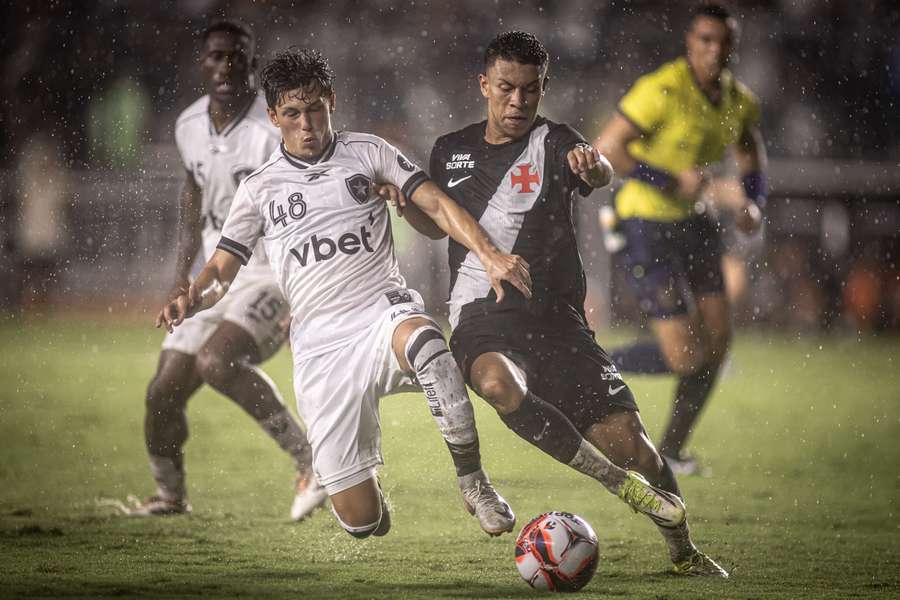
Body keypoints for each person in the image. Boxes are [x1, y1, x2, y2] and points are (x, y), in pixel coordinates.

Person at [157, 47, 532, 539]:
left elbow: (437, 205)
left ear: (331, 100)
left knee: (429, 346)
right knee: (363, 523)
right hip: (320, 349)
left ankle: (474, 482)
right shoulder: (260, 189)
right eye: (292, 113)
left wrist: (487, 253)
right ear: (274, 117)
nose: (306, 123)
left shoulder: (369, 152)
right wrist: (195, 297)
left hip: (381, 313)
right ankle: (364, 489)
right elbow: (222, 270)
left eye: (315, 108)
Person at [426, 30, 727, 576]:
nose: (517, 101)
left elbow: (599, 167)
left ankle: (685, 552)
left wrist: (596, 171)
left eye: (530, 90)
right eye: (505, 88)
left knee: (638, 452)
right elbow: (432, 217)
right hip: (481, 314)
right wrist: (404, 203)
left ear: (544, 88)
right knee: (496, 383)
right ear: (483, 85)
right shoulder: (450, 151)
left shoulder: (555, 141)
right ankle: (616, 488)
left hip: (556, 321)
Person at [129, 20, 326, 520]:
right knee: (162, 392)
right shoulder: (188, 125)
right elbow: (192, 190)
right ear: (203, 63)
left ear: (253, 65)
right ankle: (170, 495)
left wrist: (306, 293)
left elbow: (306, 199)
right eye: (217, 56)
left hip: (269, 273)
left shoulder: (271, 129)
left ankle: (312, 461)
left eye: (237, 56)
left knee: (217, 363)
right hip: (213, 275)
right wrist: (180, 275)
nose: (226, 66)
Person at [593, 1, 768, 476]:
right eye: (705, 41)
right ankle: (593, 361)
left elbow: (751, 154)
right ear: (690, 45)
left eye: (722, 42)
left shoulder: (738, 100)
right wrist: (668, 180)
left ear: (732, 46)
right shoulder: (662, 89)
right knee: (685, 354)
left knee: (719, 341)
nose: (714, 51)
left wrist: (754, 202)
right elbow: (608, 148)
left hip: (694, 223)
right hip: (645, 223)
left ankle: (671, 448)